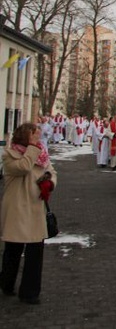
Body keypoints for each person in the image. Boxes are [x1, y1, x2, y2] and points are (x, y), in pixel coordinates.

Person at [0, 122, 58, 304]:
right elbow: (23, 167)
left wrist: (50, 182)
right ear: (25, 136)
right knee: (13, 250)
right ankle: (7, 283)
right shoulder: (10, 155)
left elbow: (51, 171)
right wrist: (33, 149)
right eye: (34, 136)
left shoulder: (41, 154)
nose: (38, 139)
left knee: (35, 252)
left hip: (35, 207)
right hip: (17, 208)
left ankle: (30, 291)